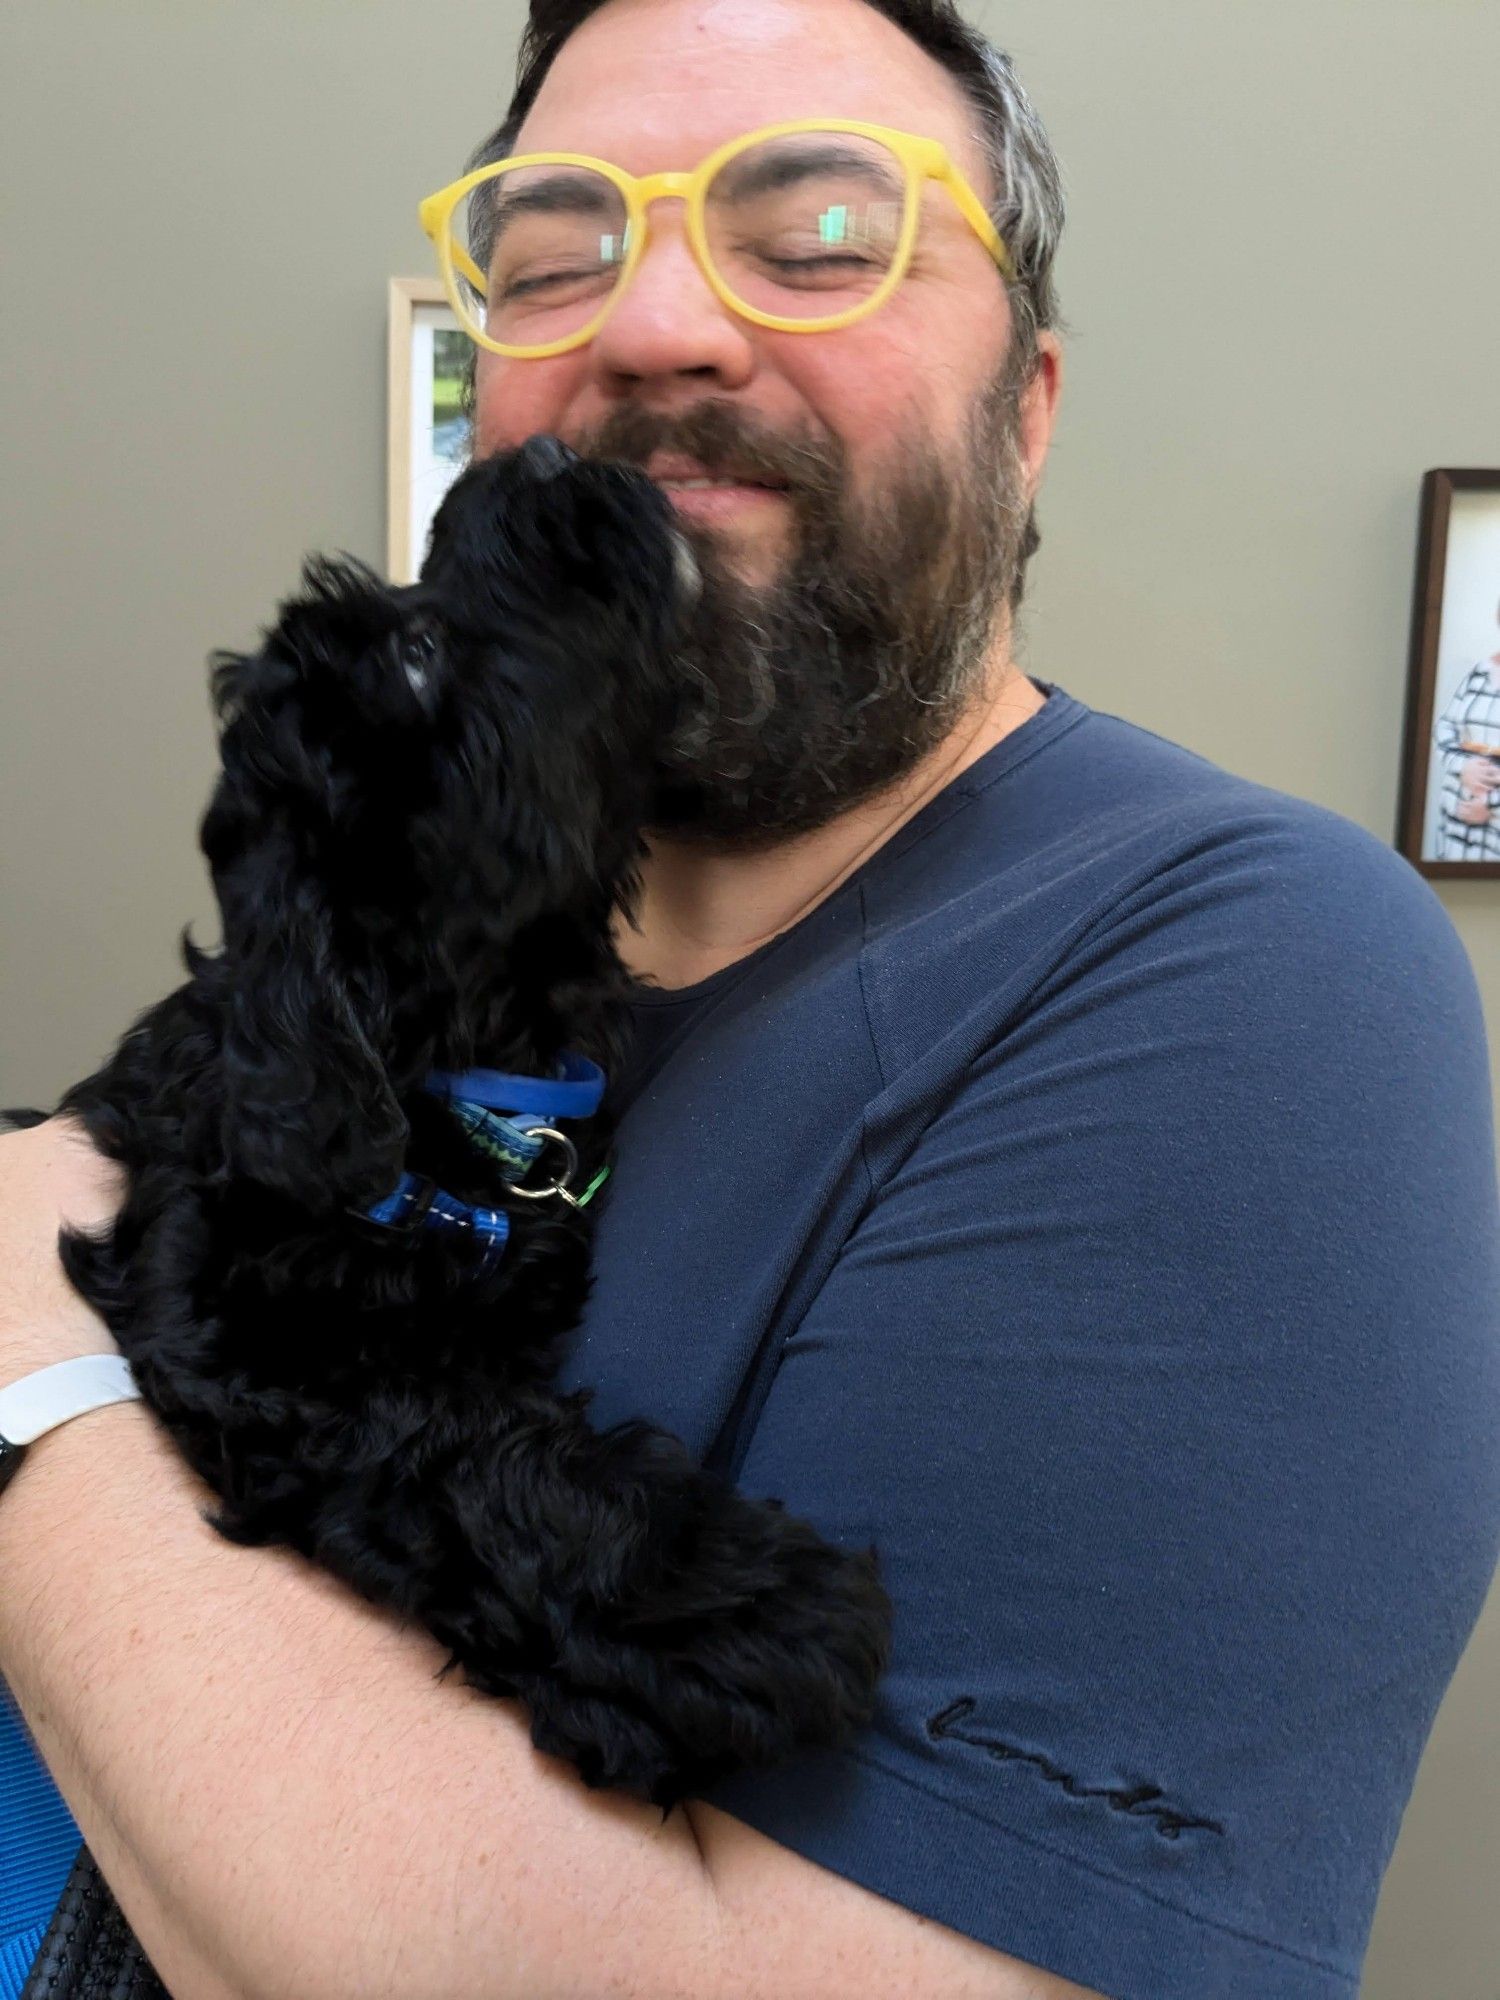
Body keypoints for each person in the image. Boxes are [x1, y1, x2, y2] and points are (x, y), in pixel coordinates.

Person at [1, 0, 1497, 1994]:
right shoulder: (440, 943)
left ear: (1026, 403)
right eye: (557, 253)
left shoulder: (1254, 972)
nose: (650, 326)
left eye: (815, 237)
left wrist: (33, 1359)